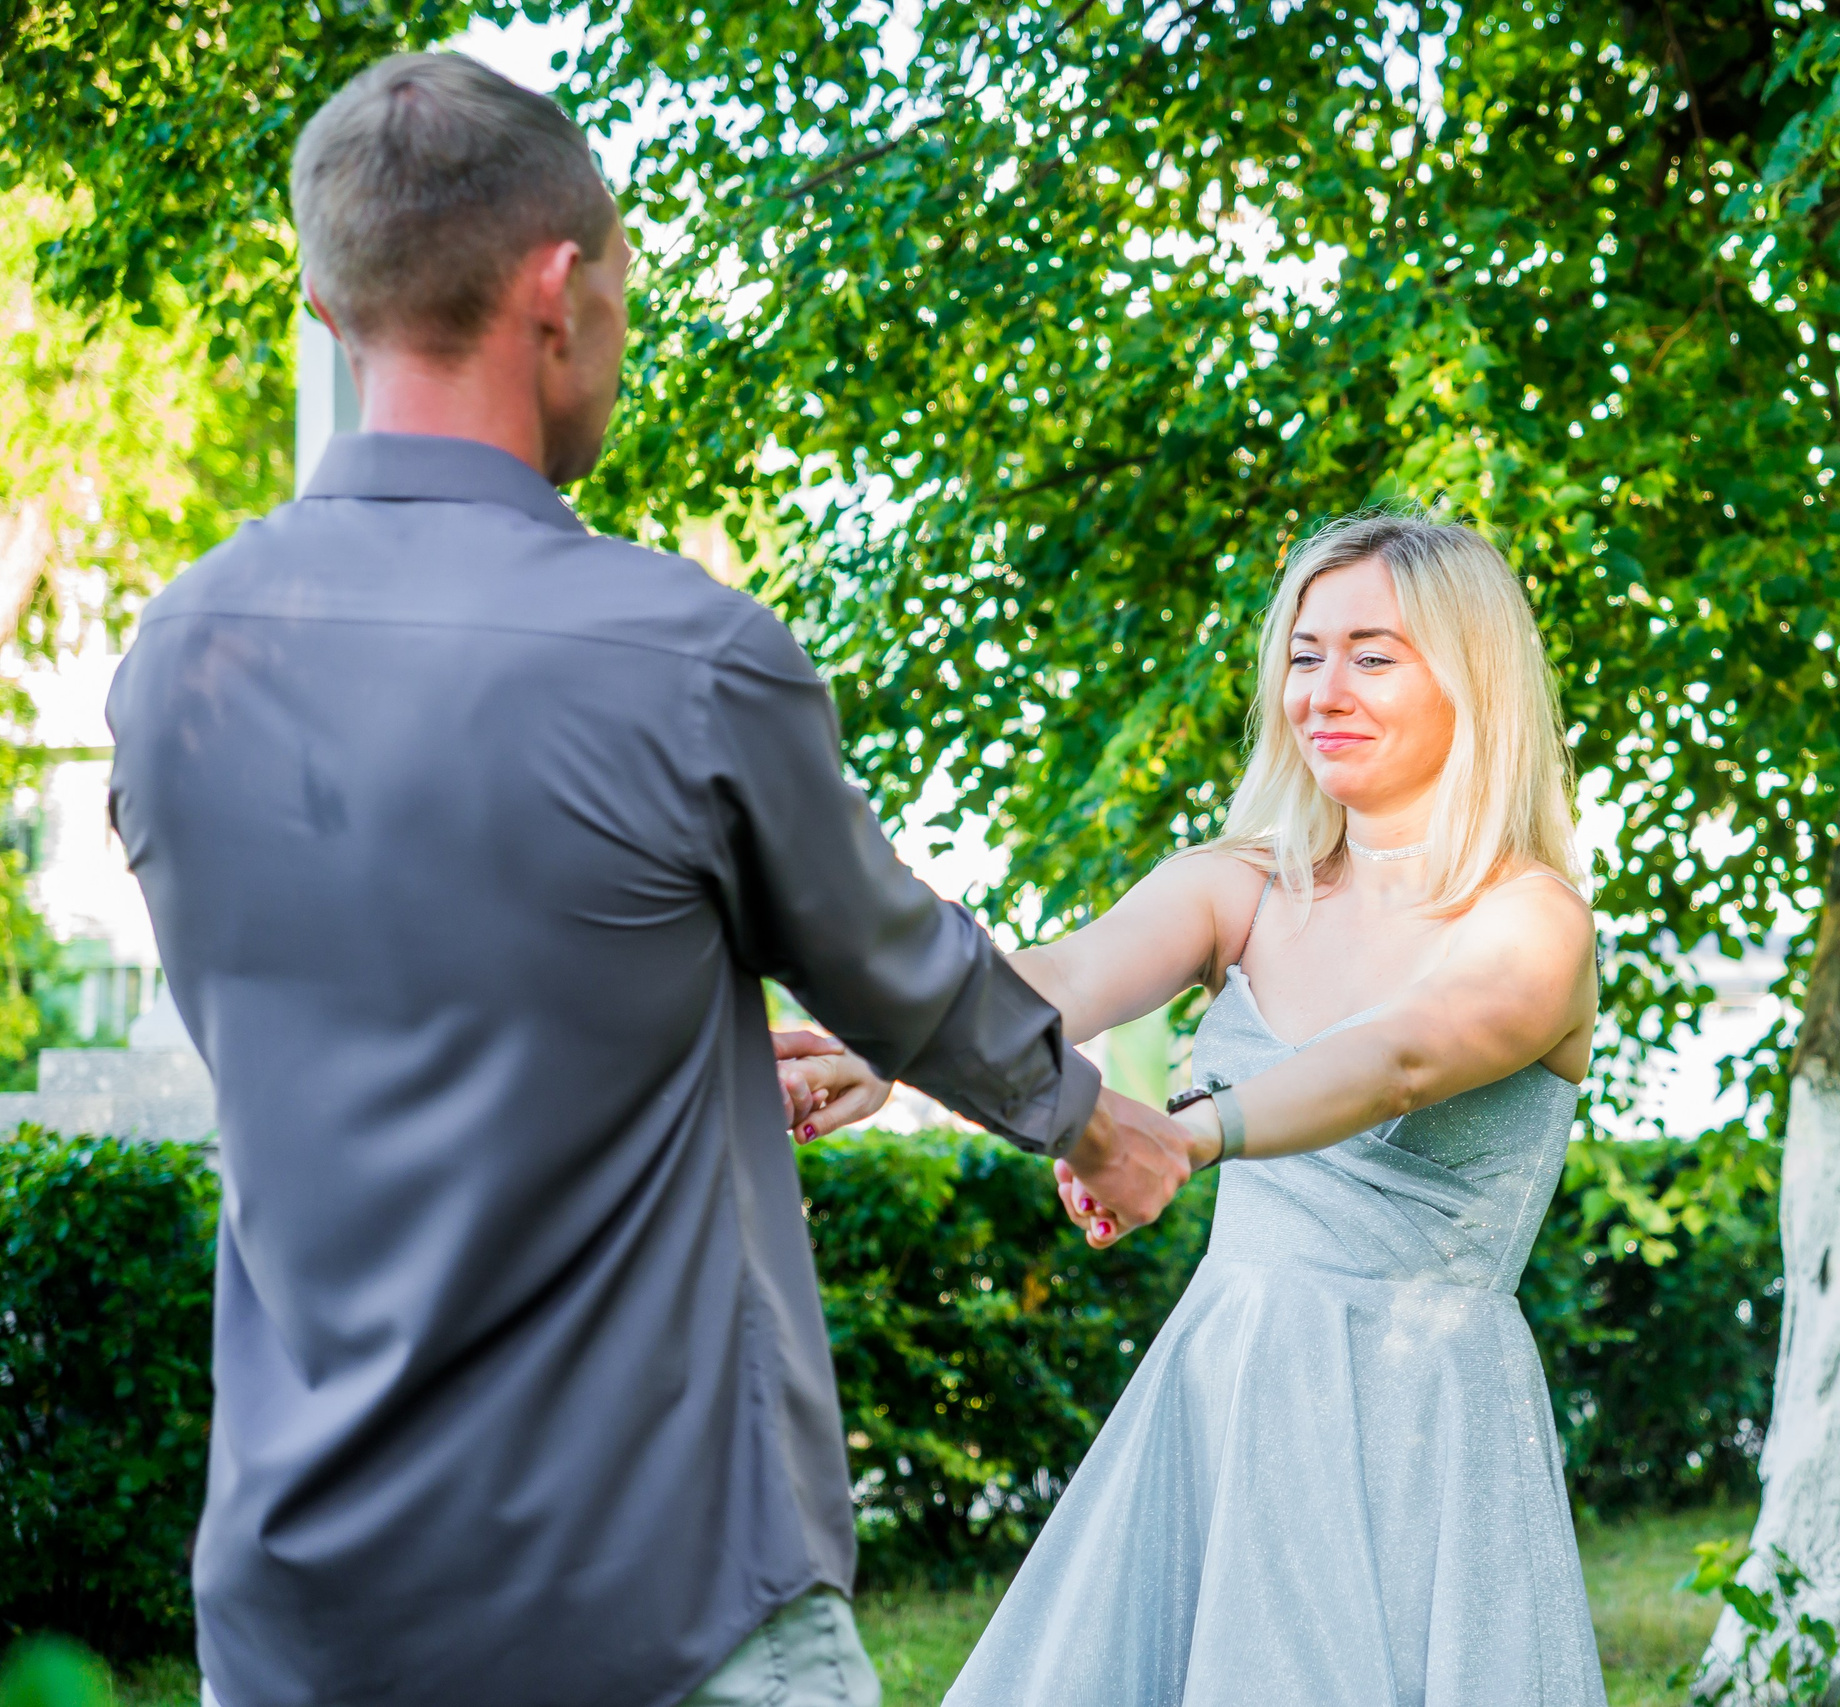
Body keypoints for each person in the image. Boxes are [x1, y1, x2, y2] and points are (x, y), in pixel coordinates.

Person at [105, 52, 1195, 1707]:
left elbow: (375, 997)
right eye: (621, 285)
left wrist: (652, 1051)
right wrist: (1095, 1117)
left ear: (330, 307)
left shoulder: (175, 658)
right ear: (559, 285)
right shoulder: (679, 653)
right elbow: (894, 968)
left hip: (310, 1605)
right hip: (667, 1590)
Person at [784, 512, 1612, 1704]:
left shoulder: (1534, 920)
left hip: (1424, 1428)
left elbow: (1404, 1059)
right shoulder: (1237, 886)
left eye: (1373, 656)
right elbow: (1058, 980)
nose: (1322, 690)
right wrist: (886, 1051)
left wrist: (1191, 1132)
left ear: (1471, 680)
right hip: (1229, 1397)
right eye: (1303, 653)